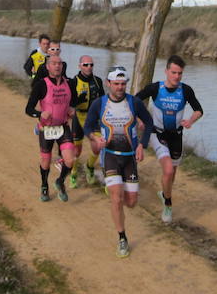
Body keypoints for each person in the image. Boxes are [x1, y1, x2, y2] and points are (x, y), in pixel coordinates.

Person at [83, 67, 153, 258]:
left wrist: (142, 145)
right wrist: (95, 138)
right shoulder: (99, 103)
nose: (120, 87)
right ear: (108, 84)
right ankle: (122, 238)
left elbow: (149, 123)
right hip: (110, 155)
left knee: (131, 202)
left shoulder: (134, 102)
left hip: (130, 156)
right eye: (116, 84)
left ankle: (118, 191)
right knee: (116, 198)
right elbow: (87, 126)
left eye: (123, 84)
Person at [133, 55, 203, 224]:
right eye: (173, 72)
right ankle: (168, 205)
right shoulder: (155, 88)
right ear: (166, 71)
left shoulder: (185, 90)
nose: (177, 76)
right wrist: (140, 119)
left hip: (176, 136)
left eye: (180, 73)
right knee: (169, 170)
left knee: (171, 175)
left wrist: (190, 121)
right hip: (157, 135)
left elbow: (199, 110)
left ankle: (165, 194)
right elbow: (134, 101)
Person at [24, 54, 76, 202]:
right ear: (47, 67)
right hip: (47, 128)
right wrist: (39, 114)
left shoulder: (70, 84)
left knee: (70, 160)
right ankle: (44, 185)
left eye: (59, 63)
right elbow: (28, 109)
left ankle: (60, 181)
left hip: (63, 127)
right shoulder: (41, 85)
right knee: (46, 161)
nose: (57, 66)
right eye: (54, 63)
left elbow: (73, 101)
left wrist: (72, 109)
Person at [68, 55, 104, 188]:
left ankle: (89, 166)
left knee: (98, 145)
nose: (89, 67)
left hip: (93, 118)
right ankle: (74, 172)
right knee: (77, 150)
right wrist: (76, 103)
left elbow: (103, 100)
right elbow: (69, 103)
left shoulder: (98, 81)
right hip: (78, 116)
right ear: (79, 66)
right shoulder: (73, 82)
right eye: (85, 64)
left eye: (91, 65)